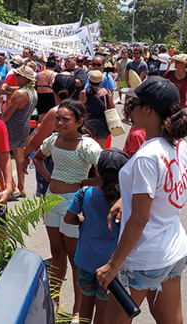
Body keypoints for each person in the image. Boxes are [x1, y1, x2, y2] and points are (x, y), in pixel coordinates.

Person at [96, 77, 187, 324]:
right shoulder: (179, 145)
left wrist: (113, 264)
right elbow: (164, 190)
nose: (129, 108)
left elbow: (140, 218)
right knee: (171, 320)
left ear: (147, 110)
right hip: (173, 249)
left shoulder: (147, 156)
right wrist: (128, 198)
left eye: (133, 103)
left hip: (144, 256)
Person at [32, 99, 102, 321]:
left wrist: (83, 185)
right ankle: (54, 302)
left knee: (75, 259)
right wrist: (50, 178)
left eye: (66, 119)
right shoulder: (53, 140)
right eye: (57, 118)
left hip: (74, 205)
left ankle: (78, 311)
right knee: (57, 254)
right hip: (51, 201)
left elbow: (106, 175)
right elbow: (38, 158)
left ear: (79, 121)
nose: (60, 123)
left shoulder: (88, 146)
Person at [64, 148, 130, 324]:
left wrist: (83, 219)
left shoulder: (84, 192)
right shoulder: (125, 201)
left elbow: (69, 218)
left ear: (97, 170)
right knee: (103, 307)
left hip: (85, 260)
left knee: (85, 304)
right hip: (109, 264)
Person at [21, 73, 77, 198]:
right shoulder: (79, 109)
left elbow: (37, 140)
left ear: (53, 89)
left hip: (53, 160)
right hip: (75, 160)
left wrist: (25, 155)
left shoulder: (56, 112)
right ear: (74, 91)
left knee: (49, 202)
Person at [0, 65, 38, 198]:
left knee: (4, 156)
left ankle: (14, 187)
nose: (15, 77)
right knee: (19, 156)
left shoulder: (20, 93)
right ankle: (22, 188)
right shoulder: (33, 92)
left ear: (24, 78)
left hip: (13, 127)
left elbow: (7, 115)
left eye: (18, 75)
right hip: (25, 126)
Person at [79, 71, 114, 148]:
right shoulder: (106, 92)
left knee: (87, 148)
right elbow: (112, 106)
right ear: (101, 81)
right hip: (103, 123)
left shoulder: (84, 93)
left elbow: (79, 108)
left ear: (89, 80)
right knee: (101, 150)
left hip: (88, 123)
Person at [35, 55, 58, 120]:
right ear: (55, 66)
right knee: (50, 118)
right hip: (50, 97)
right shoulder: (55, 74)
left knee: (42, 119)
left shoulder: (39, 74)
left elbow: (36, 85)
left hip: (39, 96)